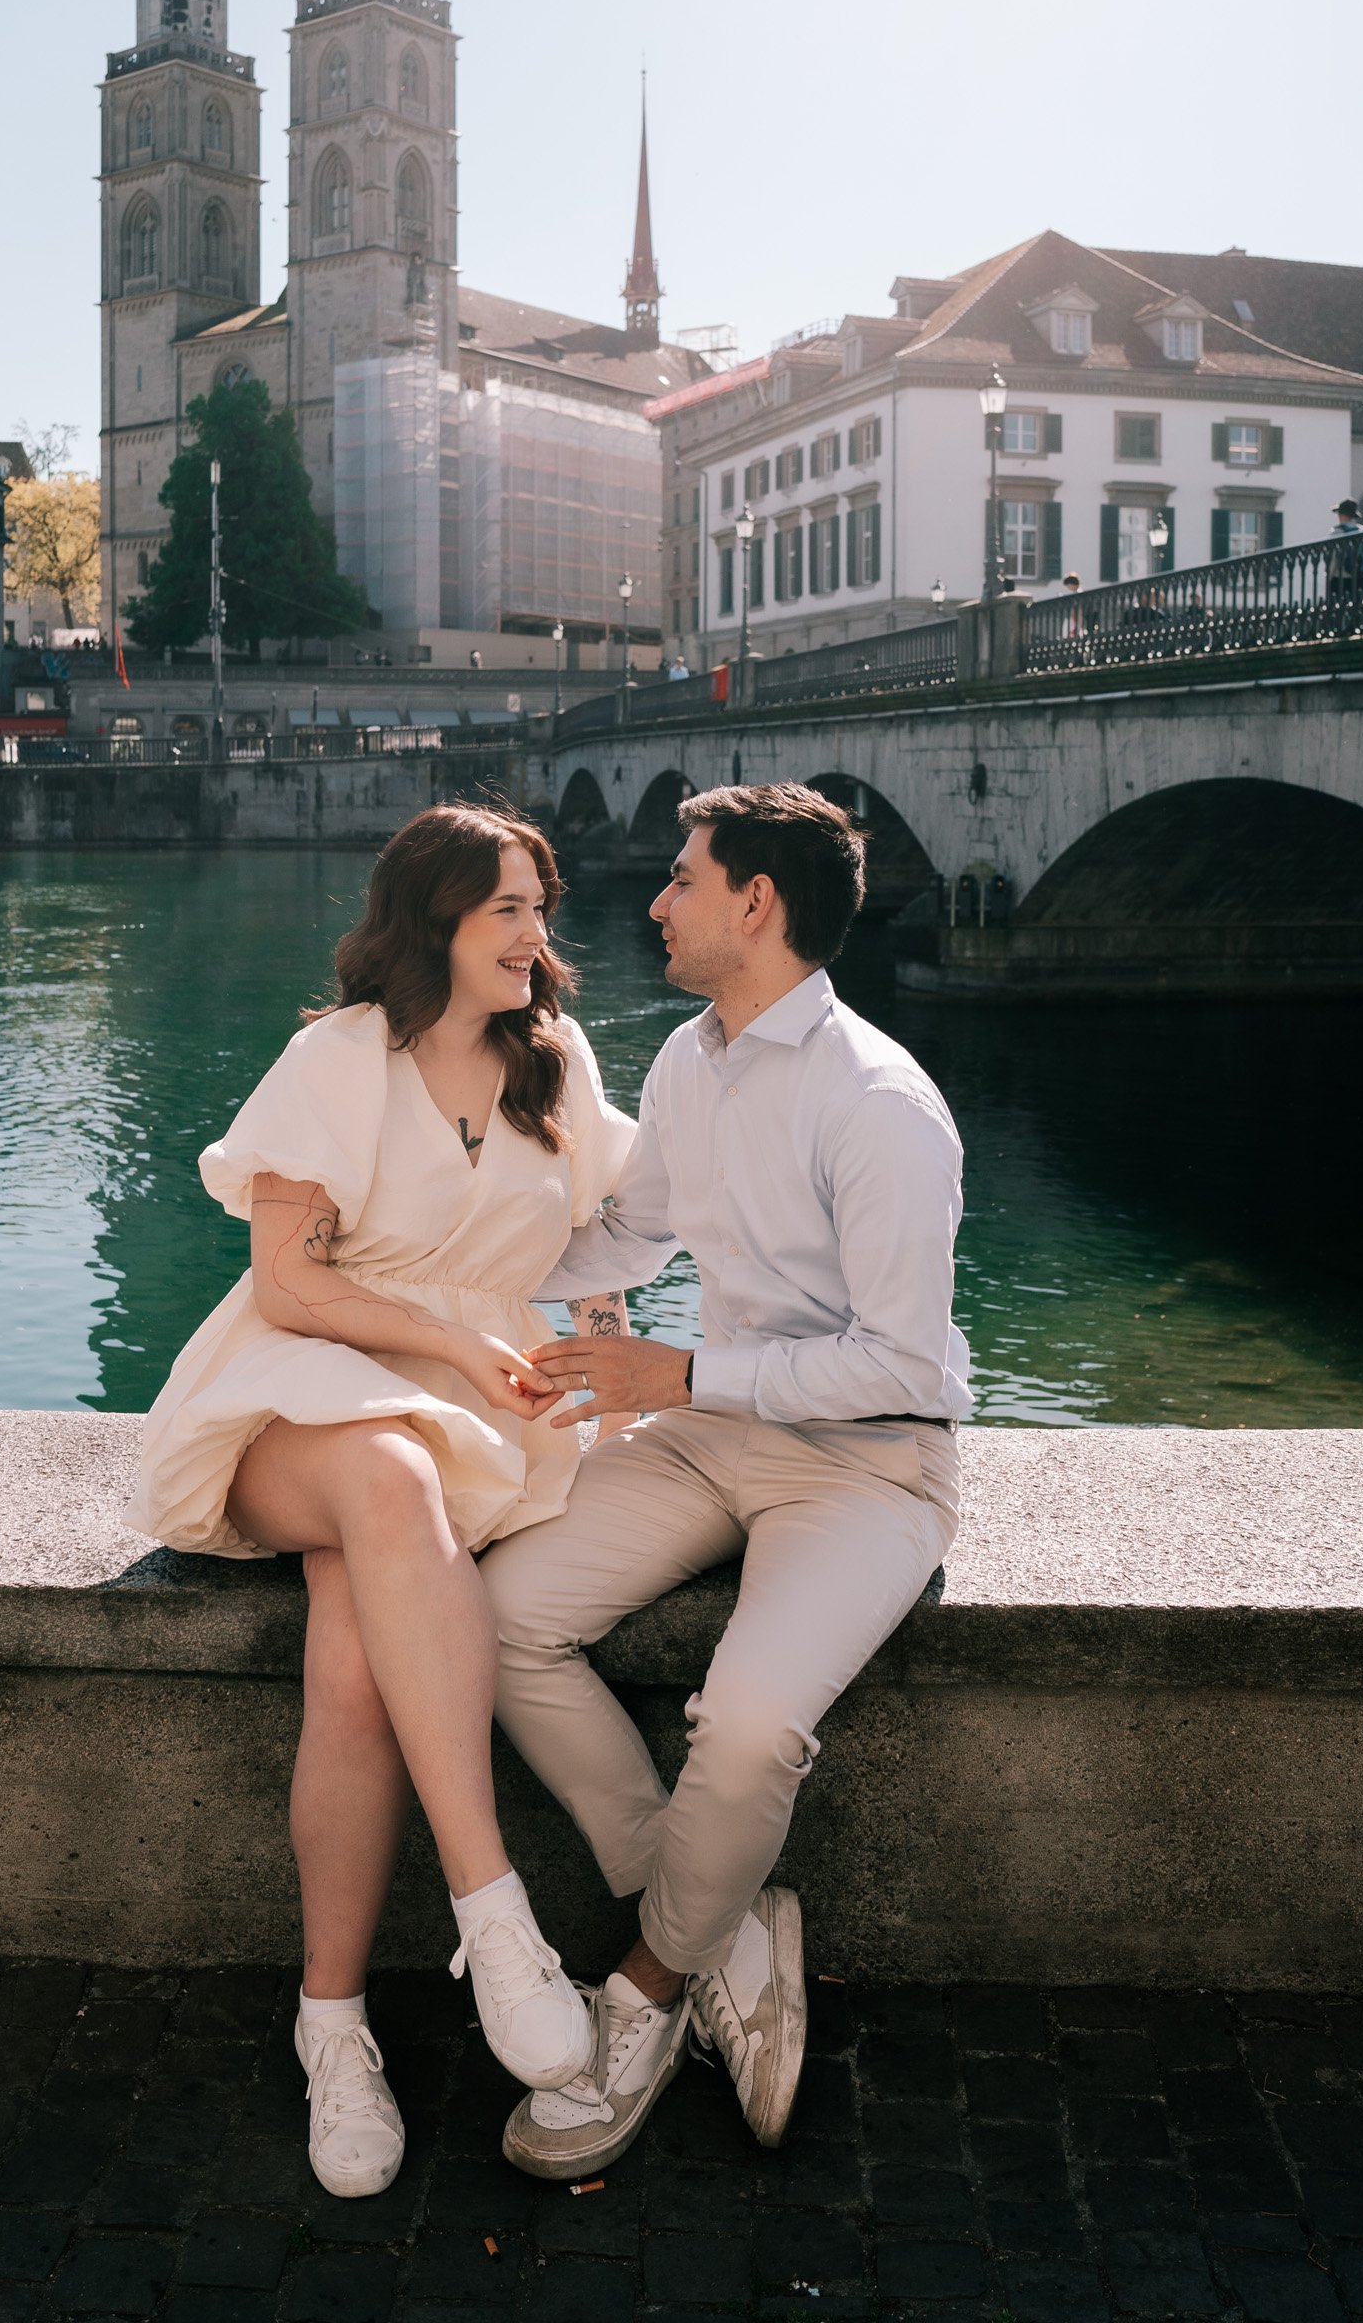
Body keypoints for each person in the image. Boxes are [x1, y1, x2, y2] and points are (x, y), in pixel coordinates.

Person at [131, 805, 638, 2201]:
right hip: (295, 1392)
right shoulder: (338, 1059)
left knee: (355, 1671)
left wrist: (608, 1355)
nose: (537, 939)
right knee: (387, 1466)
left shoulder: (557, 1063)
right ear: (433, 926)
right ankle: (497, 1912)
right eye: (507, 914)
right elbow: (291, 1285)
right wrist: (454, 1345)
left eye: (540, 908)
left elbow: (604, 1232)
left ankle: (334, 2026)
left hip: (468, 1419)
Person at [483, 782, 969, 2179]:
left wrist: (685, 1380)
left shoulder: (883, 1104)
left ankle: (637, 1991)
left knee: (751, 1727)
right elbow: (633, 1235)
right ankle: (722, 1912)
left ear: (757, 902)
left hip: (873, 1466)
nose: (656, 901)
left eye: (684, 880)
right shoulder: (694, 1062)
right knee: (503, 1620)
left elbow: (898, 1364)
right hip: (715, 1427)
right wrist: (431, 1270)